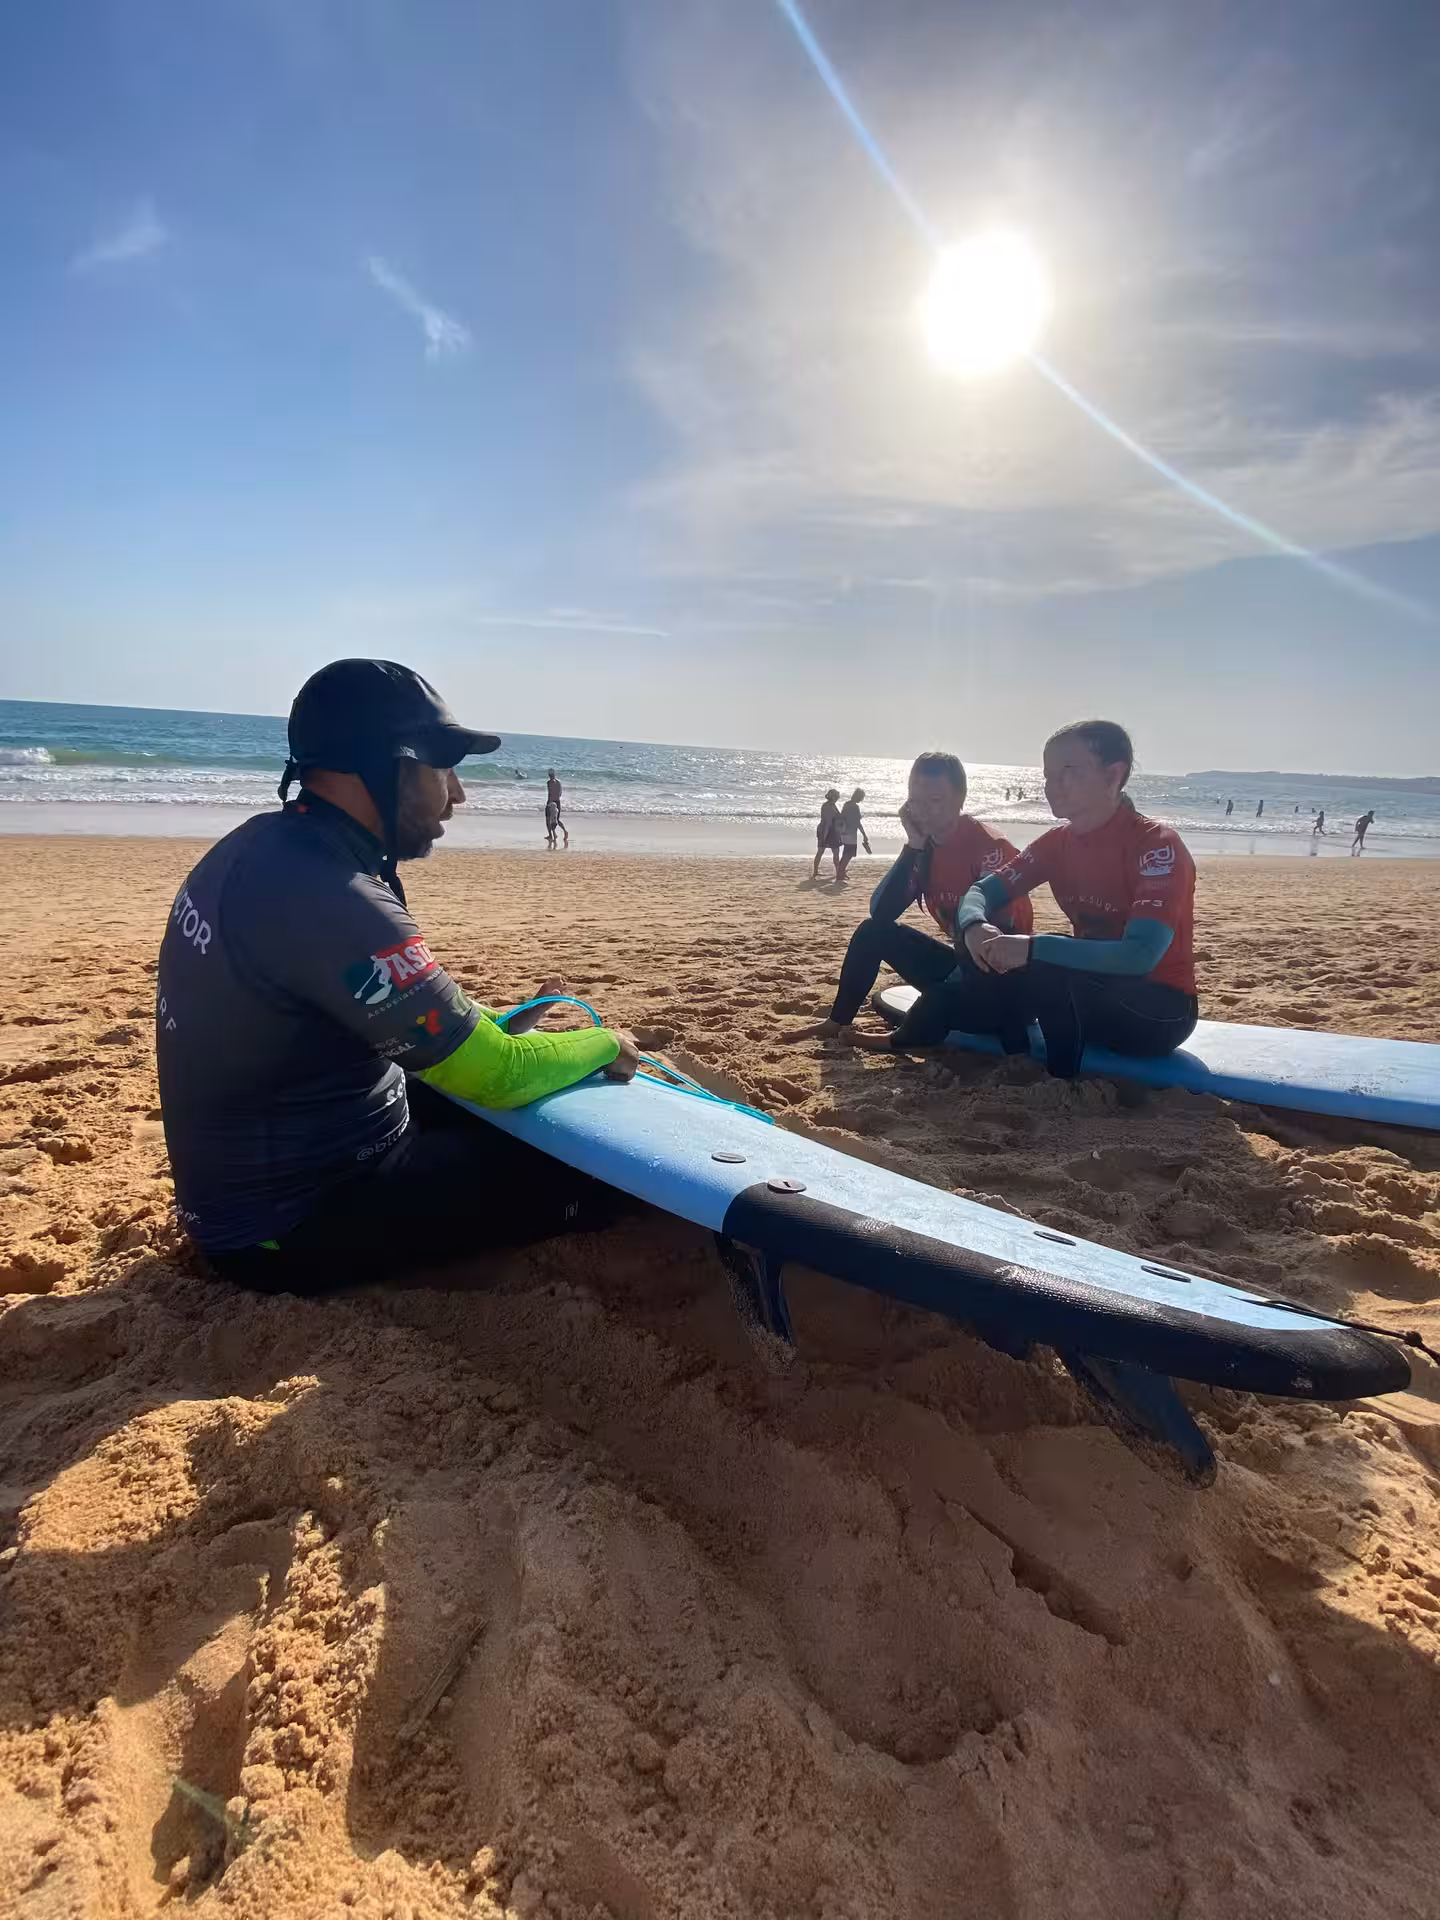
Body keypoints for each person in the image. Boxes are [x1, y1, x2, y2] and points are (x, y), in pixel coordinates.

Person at [155, 659, 641, 1295]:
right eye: (443, 769)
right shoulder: (332, 893)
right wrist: (609, 1043)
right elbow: (498, 1074)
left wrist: (493, 1023)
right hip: (289, 1226)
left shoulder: (262, 846)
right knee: (594, 1175)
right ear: (389, 763)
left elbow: (350, 1010)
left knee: (504, 1100)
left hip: (282, 1162)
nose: (458, 795)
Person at [952, 720, 1198, 1079]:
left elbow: (1140, 955)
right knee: (988, 941)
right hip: (1090, 997)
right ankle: (1016, 1055)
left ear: (1113, 776)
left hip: (1158, 1012)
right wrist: (974, 927)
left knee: (1047, 958)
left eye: (1067, 771)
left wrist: (1034, 948)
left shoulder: (1156, 845)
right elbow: (980, 892)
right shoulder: (1057, 843)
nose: (1052, 786)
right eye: (1048, 774)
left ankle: (1060, 1084)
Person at [785, 752, 1033, 1050]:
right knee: (872, 932)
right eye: (916, 800)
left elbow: (1004, 948)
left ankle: (895, 1041)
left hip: (1004, 987)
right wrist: (913, 845)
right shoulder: (925, 848)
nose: (923, 811)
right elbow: (881, 912)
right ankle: (837, 1020)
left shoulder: (991, 850)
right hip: (960, 968)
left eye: (935, 800)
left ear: (960, 799)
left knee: (941, 997)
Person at [835, 788, 872, 880]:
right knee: (849, 854)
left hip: (843, 832)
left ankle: (841, 872)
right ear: (858, 797)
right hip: (851, 833)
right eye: (862, 797)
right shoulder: (855, 807)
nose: (862, 799)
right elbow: (857, 823)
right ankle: (841, 873)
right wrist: (864, 834)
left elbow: (842, 817)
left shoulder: (846, 804)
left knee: (846, 853)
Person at [812, 788, 843, 879]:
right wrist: (824, 836)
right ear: (832, 797)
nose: (837, 798)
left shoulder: (833, 805)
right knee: (821, 851)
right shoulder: (827, 806)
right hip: (825, 830)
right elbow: (827, 822)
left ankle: (838, 872)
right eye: (836, 797)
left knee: (835, 853)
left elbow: (838, 817)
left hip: (832, 831)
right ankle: (815, 872)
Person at [544, 768, 569, 850]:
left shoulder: (549, 783)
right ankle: (564, 831)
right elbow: (560, 793)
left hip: (551, 802)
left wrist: (549, 804)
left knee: (548, 820)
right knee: (556, 820)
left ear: (549, 775)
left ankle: (551, 835)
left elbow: (550, 793)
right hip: (558, 801)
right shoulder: (559, 782)